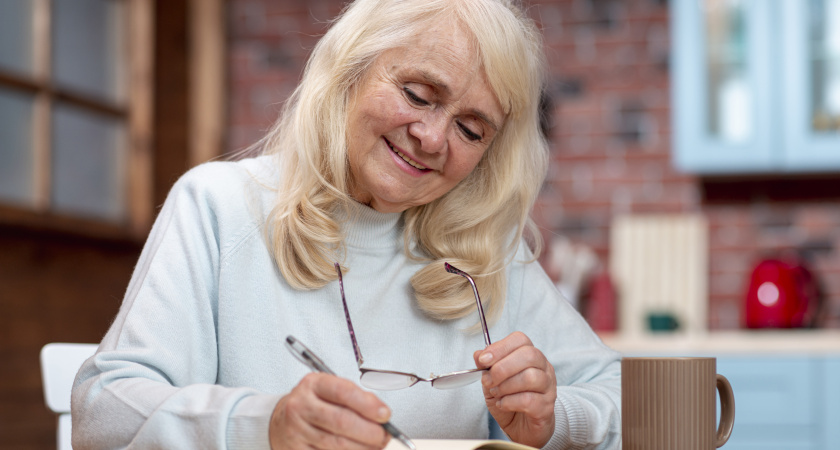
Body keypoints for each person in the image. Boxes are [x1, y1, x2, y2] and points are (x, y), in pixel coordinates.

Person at [71, 0, 621, 448]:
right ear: (351, 71)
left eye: (472, 130)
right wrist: (263, 425)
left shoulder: (487, 253)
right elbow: (103, 411)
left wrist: (556, 417)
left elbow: (622, 395)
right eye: (418, 94)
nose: (432, 138)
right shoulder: (218, 207)